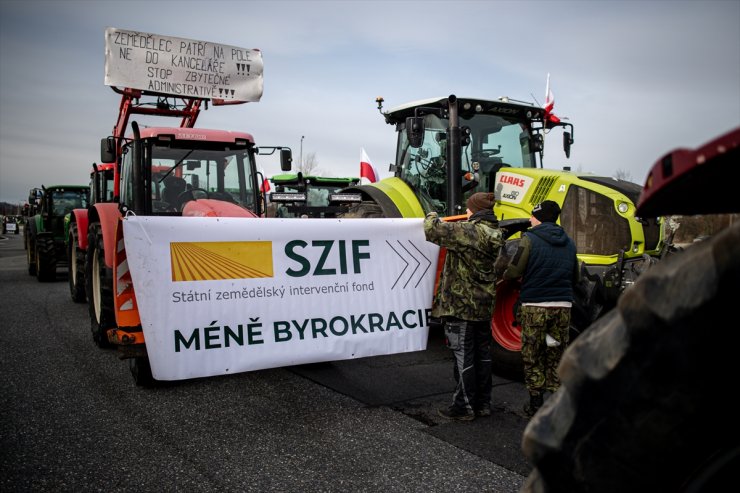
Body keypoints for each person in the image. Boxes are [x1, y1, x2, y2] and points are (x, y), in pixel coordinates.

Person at [423, 192, 505, 421]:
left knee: (463, 357)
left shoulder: (469, 231)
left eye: (469, 209)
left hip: (462, 306)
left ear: (475, 210)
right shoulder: (495, 232)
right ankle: (482, 404)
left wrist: (431, 213)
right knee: (482, 357)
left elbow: (432, 229)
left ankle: (463, 407)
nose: (466, 212)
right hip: (483, 306)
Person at [502, 200, 579, 417]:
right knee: (555, 352)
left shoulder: (529, 239)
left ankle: (535, 402)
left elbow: (515, 271)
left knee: (532, 353)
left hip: (535, 306)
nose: (529, 219)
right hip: (563, 307)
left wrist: (507, 275)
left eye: (532, 216)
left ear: (539, 217)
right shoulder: (570, 243)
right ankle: (555, 401)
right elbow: (576, 277)